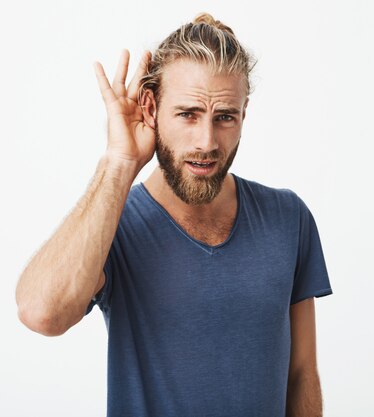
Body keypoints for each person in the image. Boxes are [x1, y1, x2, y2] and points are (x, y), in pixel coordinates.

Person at [15, 12, 333, 417]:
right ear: (151, 109)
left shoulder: (288, 218)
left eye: (224, 117)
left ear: (243, 115)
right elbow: (42, 313)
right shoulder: (115, 224)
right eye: (188, 114)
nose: (207, 142)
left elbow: (302, 373)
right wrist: (118, 162)